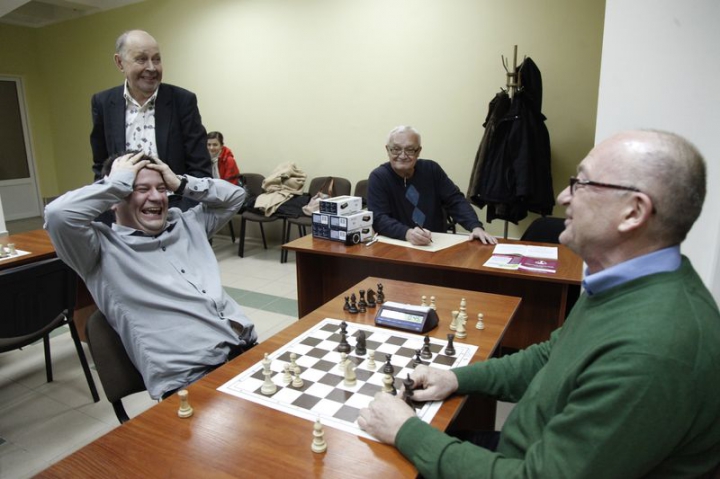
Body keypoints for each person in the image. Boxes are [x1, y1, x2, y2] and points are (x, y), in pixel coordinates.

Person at [359, 130, 720, 478]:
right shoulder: (624, 287)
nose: (563, 196)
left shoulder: (651, 350)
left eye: (582, 183)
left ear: (633, 212)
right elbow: (550, 356)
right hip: (521, 449)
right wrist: (454, 377)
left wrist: (406, 431)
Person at [45, 151, 257, 400]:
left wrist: (181, 183)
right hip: (193, 378)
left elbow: (236, 196)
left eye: (161, 188)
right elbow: (58, 215)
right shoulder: (98, 250)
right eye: (141, 189)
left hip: (246, 350)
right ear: (114, 198)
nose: (156, 197)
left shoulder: (188, 223)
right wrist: (116, 183)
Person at [90, 29, 211, 211]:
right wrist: (109, 209)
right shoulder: (103, 103)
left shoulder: (182, 101)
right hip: (126, 212)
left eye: (156, 59)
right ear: (120, 63)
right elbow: (101, 166)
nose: (152, 68)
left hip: (176, 209)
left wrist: (186, 214)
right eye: (141, 59)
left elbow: (200, 167)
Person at [367, 126, 497, 246]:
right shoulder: (378, 177)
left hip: (435, 244)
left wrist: (475, 227)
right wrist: (407, 233)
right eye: (396, 149)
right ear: (387, 150)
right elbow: (379, 218)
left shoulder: (431, 169)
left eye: (410, 149)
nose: (402, 155)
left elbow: (455, 200)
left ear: (418, 151)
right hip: (398, 245)